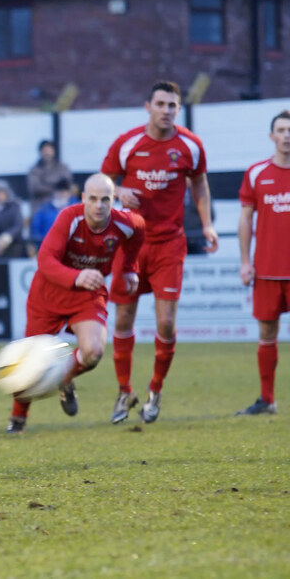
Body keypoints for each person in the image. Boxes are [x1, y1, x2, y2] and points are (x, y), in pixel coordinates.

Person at [101, 80, 218, 424]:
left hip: (169, 244)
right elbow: (102, 182)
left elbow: (199, 184)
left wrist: (207, 224)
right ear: (147, 106)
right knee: (123, 319)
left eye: (172, 105)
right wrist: (119, 190)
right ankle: (125, 391)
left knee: (166, 324)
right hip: (131, 243)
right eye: (161, 104)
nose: (166, 110)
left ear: (178, 110)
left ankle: (155, 390)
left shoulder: (190, 146)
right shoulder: (127, 144)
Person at [7, 174, 145, 434]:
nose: (99, 205)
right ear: (82, 198)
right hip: (48, 294)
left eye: (105, 199)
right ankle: (18, 419)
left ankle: (64, 380)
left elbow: (138, 231)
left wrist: (129, 268)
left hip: (88, 294)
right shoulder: (69, 218)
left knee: (93, 351)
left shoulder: (125, 223)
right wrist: (77, 276)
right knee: (30, 364)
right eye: (92, 199)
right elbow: (45, 260)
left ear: (113, 200)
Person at [235, 109, 290, 416]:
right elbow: (245, 219)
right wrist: (245, 262)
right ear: (272, 136)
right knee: (267, 334)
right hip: (267, 270)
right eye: (281, 130)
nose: (287, 135)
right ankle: (267, 399)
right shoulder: (257, 173)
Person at [29, 178, 77, 252]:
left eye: (64, 191)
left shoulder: (77, 207)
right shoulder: (45, 208)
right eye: (59, 191)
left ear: (68, 193)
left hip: (73, 249)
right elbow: (36, 228)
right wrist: (41, 244)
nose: (61, 194)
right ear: (55, 192)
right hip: (49, 248)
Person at [27, 139, 73, 216]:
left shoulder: (62, 167)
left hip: (61, 206)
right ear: (40, 152)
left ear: (53, 151)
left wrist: (46, 185)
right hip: (40, 207)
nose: (47, 152)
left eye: (49, 150)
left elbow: (67, 184)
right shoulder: (34, 170)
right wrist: (56, 187)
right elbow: (35, 188)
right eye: (44, 150)